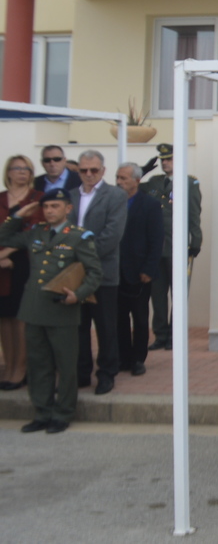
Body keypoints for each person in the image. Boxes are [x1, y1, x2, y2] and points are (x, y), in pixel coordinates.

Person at [0, 188, 101, 434]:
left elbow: (95, 273)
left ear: (68, 209)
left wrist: (76, 295)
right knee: (37, 364)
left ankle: (63, 413)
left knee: (65, 365)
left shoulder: (79, 236)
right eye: (46, 207)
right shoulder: (35, 233)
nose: (49, 211)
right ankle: (42, 412)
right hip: (33, 310)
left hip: (62, 310)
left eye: (55, 206)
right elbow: (3, 237)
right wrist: (19, 215)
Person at [71, 150, 127, 396]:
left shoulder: (115, 195)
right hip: (74, 275)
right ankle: (82, 372)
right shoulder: (71, 196)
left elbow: (112, 235)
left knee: (105, 326)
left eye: (94, 170)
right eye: (84, 170)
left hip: (102, 273)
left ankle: (106, 373)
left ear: (103, 171)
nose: (89, 174)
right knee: (78, 326)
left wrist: (82, 258)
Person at [142, 143, 203, 352]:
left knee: (178, 294)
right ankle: (160, 335)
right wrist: (142, 171)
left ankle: (174, 336)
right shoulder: (153, 182)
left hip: (178, 247)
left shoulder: (189, 183)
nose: (165, 163)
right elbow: (129, 188)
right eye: (163, 159)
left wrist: (195, 241)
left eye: (169, 159)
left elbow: (194, 214)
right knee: (157, 295)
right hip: (155, 248)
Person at [114, 163, 163, 378]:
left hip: (139, 271)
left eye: (124, 178)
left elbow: (156, 238)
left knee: (140, 319)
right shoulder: (113, 202)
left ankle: (137, 359)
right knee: (119, 318)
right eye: (118, 177)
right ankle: (123, 358)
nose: (119, 182)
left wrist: (149, 268)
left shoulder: (149, 204)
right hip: (115, 271)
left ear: (136, 180)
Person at [0, 154, 41, 391]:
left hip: (24, 262)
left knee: (19, 318)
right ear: (8, 172)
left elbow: (33, 230)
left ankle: (21, 369)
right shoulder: (1, 198)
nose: (22, 172)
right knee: (4, 318)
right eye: (17, 168)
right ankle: (8, 366)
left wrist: (3, 255)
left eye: (26, 168)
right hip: (2, 268)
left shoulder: (36, 198)